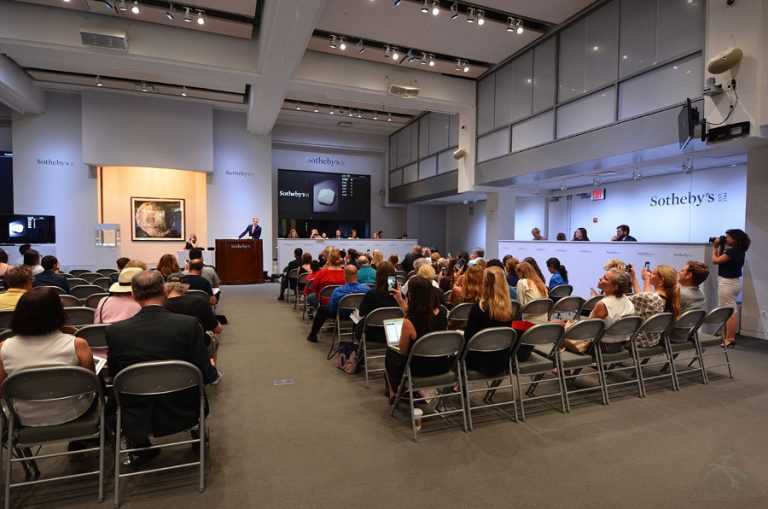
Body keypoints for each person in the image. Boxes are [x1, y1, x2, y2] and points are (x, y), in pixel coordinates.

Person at [106, 270, 219, 461]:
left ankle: (139, 443)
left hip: (136, 412)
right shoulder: (187, 325)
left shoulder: (115, 332)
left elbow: (116, 375)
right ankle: (197, 434)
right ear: (164, 291)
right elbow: (205, 373)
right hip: (184, 407)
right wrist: (211, 368)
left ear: (134, 295)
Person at [0, 287, 96, 426]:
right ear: (58, 312)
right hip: (73, 412)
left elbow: (2, 391)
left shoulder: (3, 347)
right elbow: (90, 386)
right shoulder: (78, 344)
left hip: (24, 416)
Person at [384, 275, 448, 401]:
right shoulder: (441, 313)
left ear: (412, 296)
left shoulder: (409, 323)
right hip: (441, 364)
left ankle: (394, 391)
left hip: (419, 369)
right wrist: (399, 299)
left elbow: (403, 352)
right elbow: (418, 315)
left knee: (391, 353)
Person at [463, 266, 515, 375]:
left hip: (479, 361)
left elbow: (468, 339)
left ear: (485, 283)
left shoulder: (479, 308)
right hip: (501, 361)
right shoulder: (510, 308)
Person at [165, 275, 222, 361]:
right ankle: (211, 368)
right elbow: (217, 329)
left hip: (170, 350)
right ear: (187, 286)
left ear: (165, 287)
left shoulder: (161, 306)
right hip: (198, 348)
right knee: (214, 340)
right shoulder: (199, 302)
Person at [307, 265, 369, 343]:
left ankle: (313, 335)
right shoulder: (366, 289)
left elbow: (331, 309)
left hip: (342, 315)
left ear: (344, 275)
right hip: (357, 315)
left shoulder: (338, 291)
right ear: (357, 274)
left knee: (322, 309)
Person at [712, 229, 750, 347]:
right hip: (732, 282)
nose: (726, 238)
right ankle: (726, 337)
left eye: (728, 237)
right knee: (727, 310)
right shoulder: (738, 251)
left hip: (728, 283)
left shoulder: (733, 252)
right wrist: (721, 247)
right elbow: (722, 259)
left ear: (734, 239)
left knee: (730, 311)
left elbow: (715, 261)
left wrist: (714, 247)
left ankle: (730, 338)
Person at [629, 264, 681, 347]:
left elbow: (643, 298)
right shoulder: (670, 297)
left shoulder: (652, 297)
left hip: (638, 340)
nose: (649, 274)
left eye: (653, 273)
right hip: (653, 339)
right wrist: (633, 277)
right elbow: (643, 298)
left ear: (661, 279)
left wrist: (646, 280)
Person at [588, 269, 635, 353]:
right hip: (621, 345)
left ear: (615, 287)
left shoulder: (603, 304)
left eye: (605, 278)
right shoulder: (628, 301)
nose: (600, 278)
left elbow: (588, 329)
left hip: (600, 346)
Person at [355, 262, 398, 342]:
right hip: (394, 333)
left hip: (372, 333)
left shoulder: (371, 294)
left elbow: (361, 313)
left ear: (377, 275)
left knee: (355, 319)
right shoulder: (399, 296)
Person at [306, 248, 345, 317]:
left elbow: (314, 287)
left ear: (328, 259)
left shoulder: (321, 273)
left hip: (323, 302)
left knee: (309, 297)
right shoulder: (344, 273)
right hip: (339, 301)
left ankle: (322, 313)